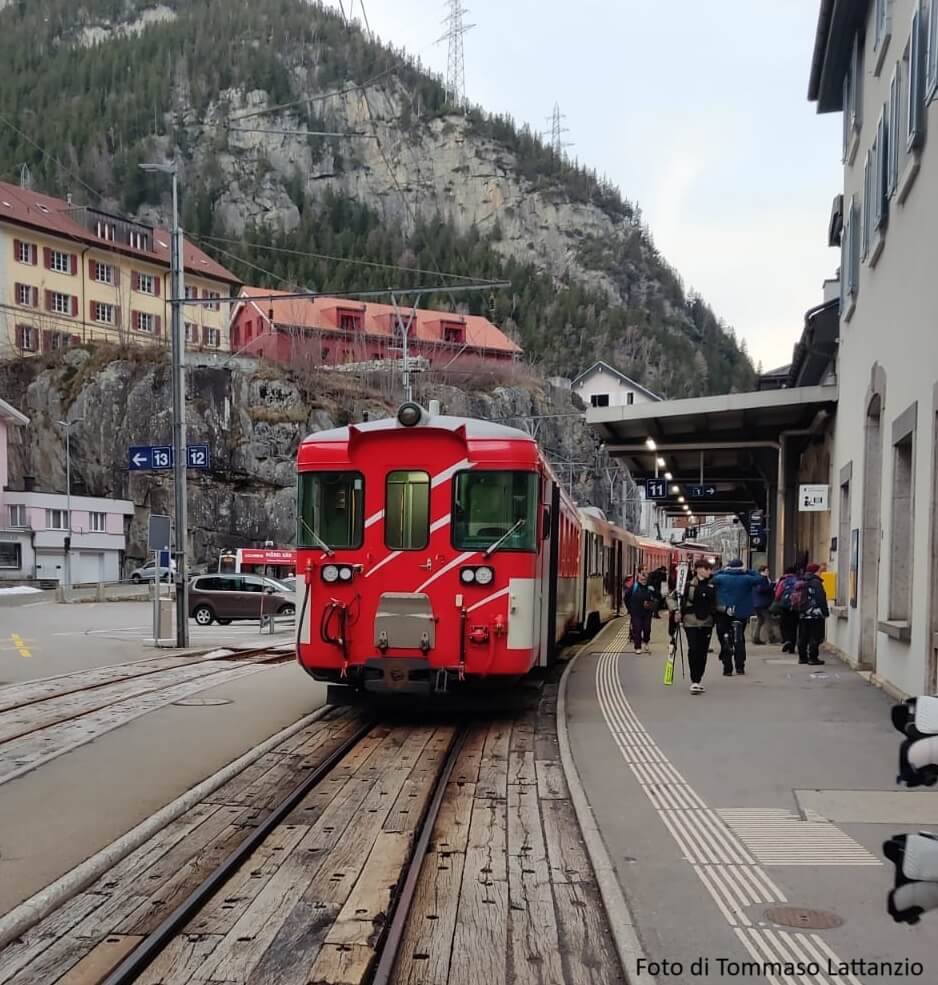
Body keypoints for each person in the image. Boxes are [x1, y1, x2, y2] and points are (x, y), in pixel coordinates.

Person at [667, 558, 718, 694]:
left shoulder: (713, 585)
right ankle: (694, 680)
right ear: (698, 569)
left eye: (710, 569)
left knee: (702, 651)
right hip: (691, 622)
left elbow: (718, 603)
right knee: (693, 648)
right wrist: (676, 610)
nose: (709, 571)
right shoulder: (687, 585)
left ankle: (698, 678)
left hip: (707, 622)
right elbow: (670, 597)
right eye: (707, 569)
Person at [712, 559, 762, 676]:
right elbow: (760, 578)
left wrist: (722, 570)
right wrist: (747, 570)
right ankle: (740, 667)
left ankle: (727, 668)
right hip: (741, 613)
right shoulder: (747, 579)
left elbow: (711, 576)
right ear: (741, 567)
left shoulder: (720, 578)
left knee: (724, 639)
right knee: (739, 638)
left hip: (723, 612)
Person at [795, 562, 829, 666]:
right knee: (815, 636)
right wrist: (825, 611)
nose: (821, 573)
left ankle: (802, 657)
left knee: (803, 636)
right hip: (815, 614)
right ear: (816, 571)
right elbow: (820, 598)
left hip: (803, 613)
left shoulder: (802, 580)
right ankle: (813, 658)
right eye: (820, 571)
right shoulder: (816, 582)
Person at [627, 569, 657, 655]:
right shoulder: (634, 587)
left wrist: (653, 592)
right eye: (642, 574)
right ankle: (638, 646)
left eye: (645, 574)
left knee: (647, 629)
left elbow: (657, 597)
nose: (643, 577)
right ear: (638, 575)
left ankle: (646, 641)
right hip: (636, 613)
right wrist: (630, 609)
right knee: (637, 629)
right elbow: (626, 598)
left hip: (647, 613)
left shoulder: (650, 587)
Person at [774, 566, 799, 653]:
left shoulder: (783, 581)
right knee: (794, 626)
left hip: (784, 606)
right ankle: (792, 646)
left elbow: (777, 595)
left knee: (784, 624)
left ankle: (786, 639)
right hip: (795, 607)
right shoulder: (798, 581)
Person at [751, 565, 777, 645]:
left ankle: (756, 638)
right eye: (767, 570)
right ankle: (771, 637)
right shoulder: (762, 579)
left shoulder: (757, 579)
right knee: (768, 620)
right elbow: (761, 589)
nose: (768, 572)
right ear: (762, 571)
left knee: (760, 621)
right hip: (763, 604)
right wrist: (772, 585)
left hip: (757, 603)